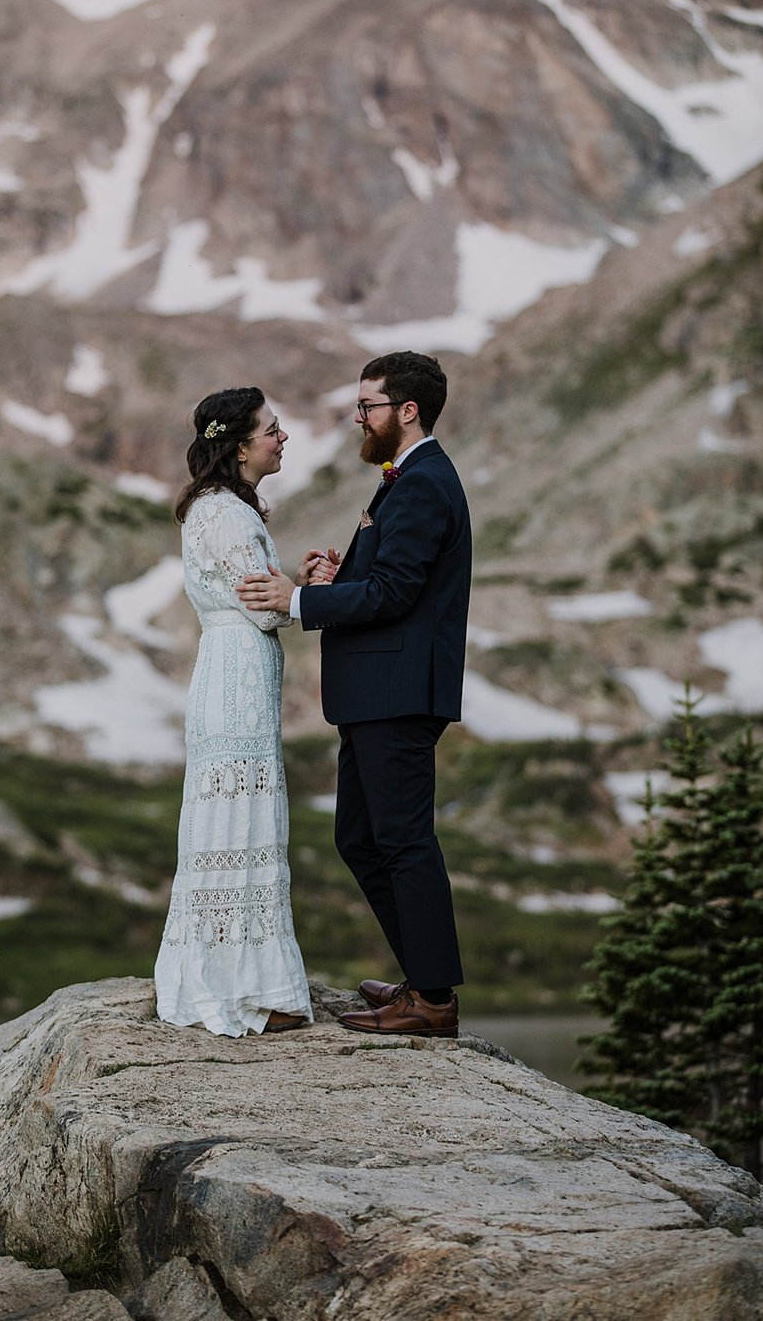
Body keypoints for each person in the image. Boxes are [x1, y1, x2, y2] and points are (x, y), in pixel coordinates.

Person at [238, 351, 471, 1038]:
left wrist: (302, 598)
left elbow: (397, 594)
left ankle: (432, 999)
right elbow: (395, 581)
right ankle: (420, 979)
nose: (359, 418)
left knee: (401, 841)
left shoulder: (424, 482)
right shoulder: (407, 479)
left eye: (368, 405)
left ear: (407, 411)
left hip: (397, 697)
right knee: (362, 838)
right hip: (378, 695)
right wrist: (338, 578)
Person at [154, 387, 315, 1037]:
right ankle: (247, 992)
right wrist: (308, 594)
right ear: (241, 443)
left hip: (234, 673)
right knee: (241, 823)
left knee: (237, 822)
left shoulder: (223, 509)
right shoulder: (224, 514)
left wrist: (296, 587)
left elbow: (260, 592)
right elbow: (262, 604)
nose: (283, 440)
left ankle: (235, 980)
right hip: (235, 676)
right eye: (273, 430)